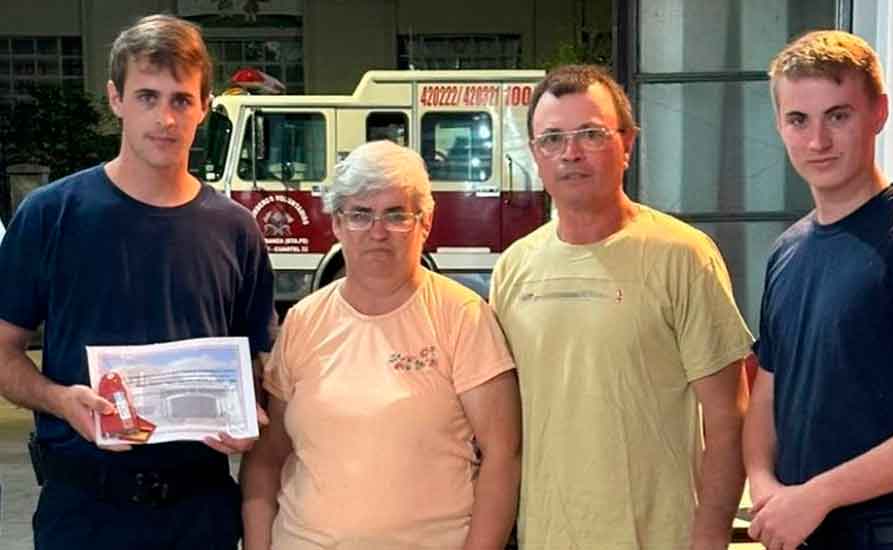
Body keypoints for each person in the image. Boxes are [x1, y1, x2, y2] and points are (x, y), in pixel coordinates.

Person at [0, 14, 276, 550]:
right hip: (84, 511)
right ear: (115, 99)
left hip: (201, 513)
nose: (166, 118)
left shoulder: (236, 230)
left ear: (204, 106)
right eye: (147, 96)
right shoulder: (50, 215)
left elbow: (259, 363)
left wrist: (253, 416)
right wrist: (61, 402)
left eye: (181, 100)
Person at [490, 64, 754, 549]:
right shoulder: (514, 270)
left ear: (627, 143)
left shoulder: (684, 256)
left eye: (591, 133)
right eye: (552, 139)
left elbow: (728, 415)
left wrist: (711, 535)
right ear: (534, 154)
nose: (570, 153)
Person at [744, 30, 893, 550]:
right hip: (805, 534)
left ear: (879, 113)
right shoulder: (787, 251)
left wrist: (818, 495)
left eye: (838, 115)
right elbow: (767, 393)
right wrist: (764, 485)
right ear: (779, 125)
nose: (817, 141)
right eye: (798, 120)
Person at [240, 139, 521, 550]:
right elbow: (268, 454)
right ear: (336, 223)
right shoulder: (304, 320)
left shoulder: (461, 315)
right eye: (360, 214)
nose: (377, 232)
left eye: (396, 215)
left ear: (425, 222)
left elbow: (503, 455)